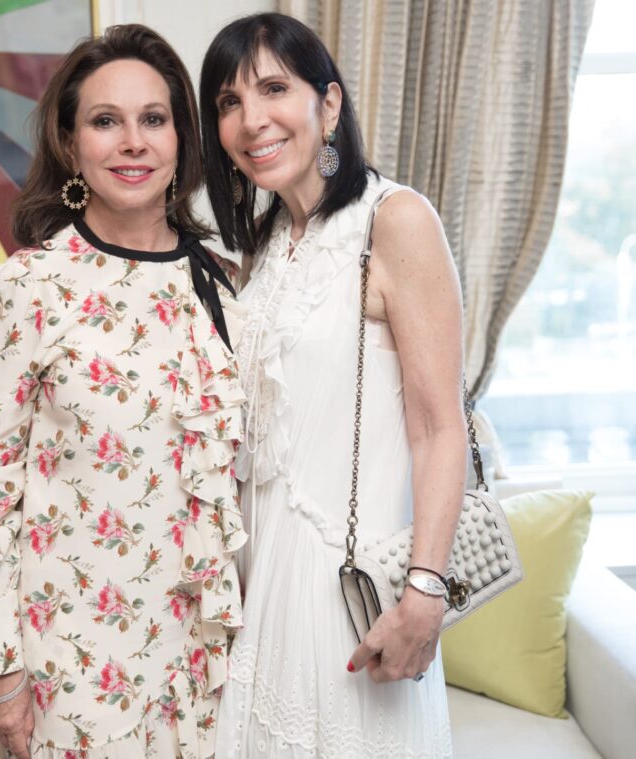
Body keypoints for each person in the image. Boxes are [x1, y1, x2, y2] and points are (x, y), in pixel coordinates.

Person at [0, 24, 246, 759]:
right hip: (74, 667)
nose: (133, 141)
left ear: (181, 139)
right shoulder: (23, 289)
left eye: (153, 119)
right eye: (106, 121)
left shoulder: (225, 283)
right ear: (72, 144)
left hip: (207, 663)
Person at [199, 13, 465, 758]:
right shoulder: (264, 248)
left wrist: (424, 592)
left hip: (351, 594)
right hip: (264, 592)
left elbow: (440, 427)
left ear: (330, 103)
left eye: (274, 89)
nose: (252, 120)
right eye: (227, 102)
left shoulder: (395, 219)